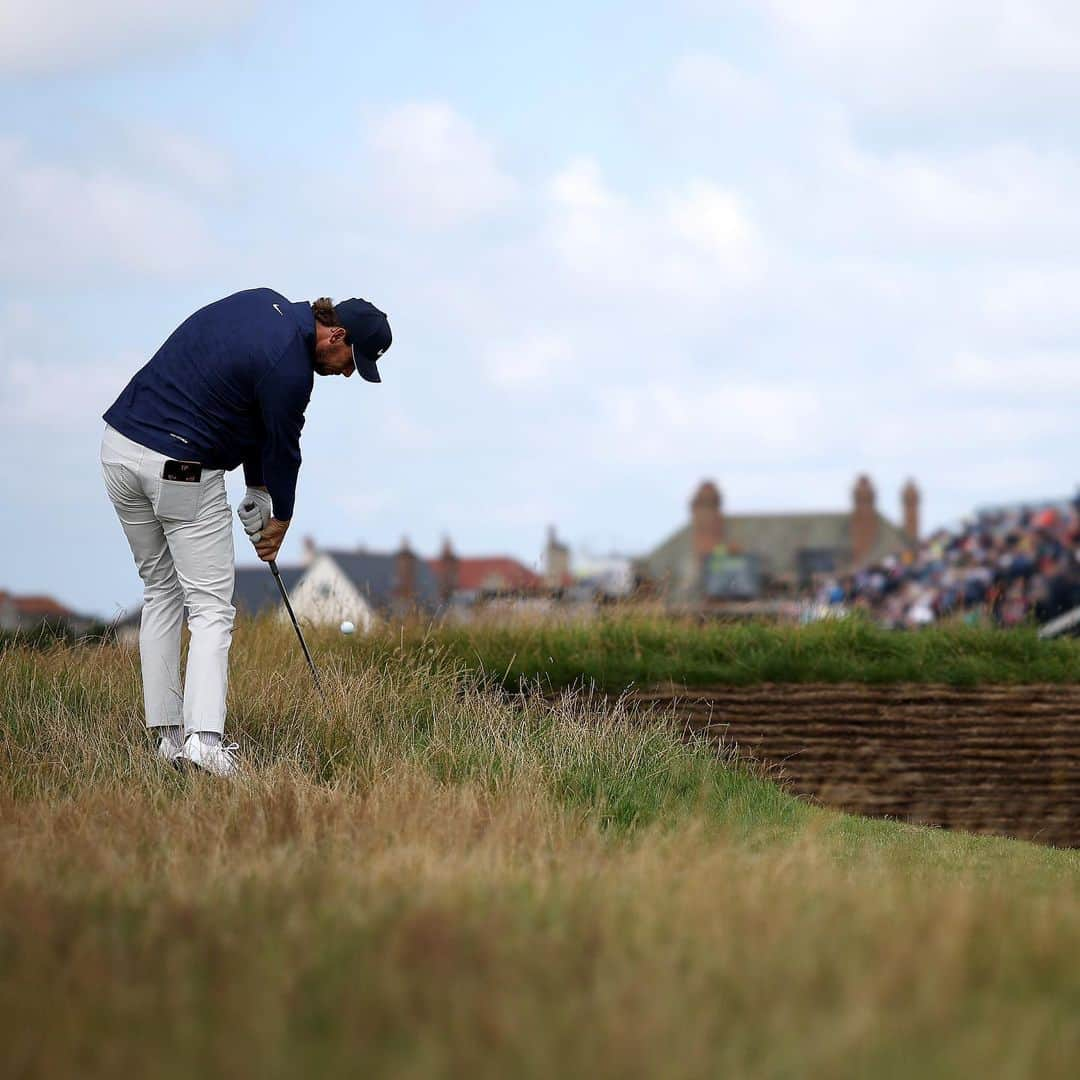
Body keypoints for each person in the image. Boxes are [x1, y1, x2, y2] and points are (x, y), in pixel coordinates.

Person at [99, 289, 392, 776]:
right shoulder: (293, 370)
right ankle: (204, 743)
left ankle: (166, 740)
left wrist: (257, 489)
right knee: (212, 607)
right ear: (336, 335)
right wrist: (281, 519)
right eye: (349, 361)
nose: (345, 372)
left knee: (162, 592)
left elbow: (254, 412)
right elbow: (282, 441)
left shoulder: (264, 306)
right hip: (178, 464)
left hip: (118, 449)